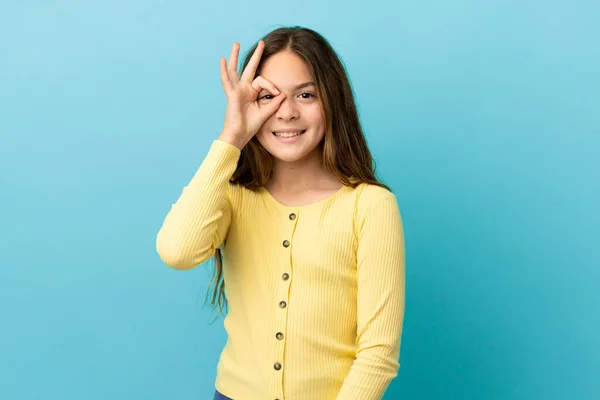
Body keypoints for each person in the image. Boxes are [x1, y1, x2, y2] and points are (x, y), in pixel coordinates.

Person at [156, 26, 405, 400]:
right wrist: (231, 138)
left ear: (332, 101)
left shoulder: (370, 206)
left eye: (305, 95)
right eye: (268, 96)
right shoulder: (233, 198)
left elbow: (378, 353)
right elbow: (177, 252)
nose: (286, 112)